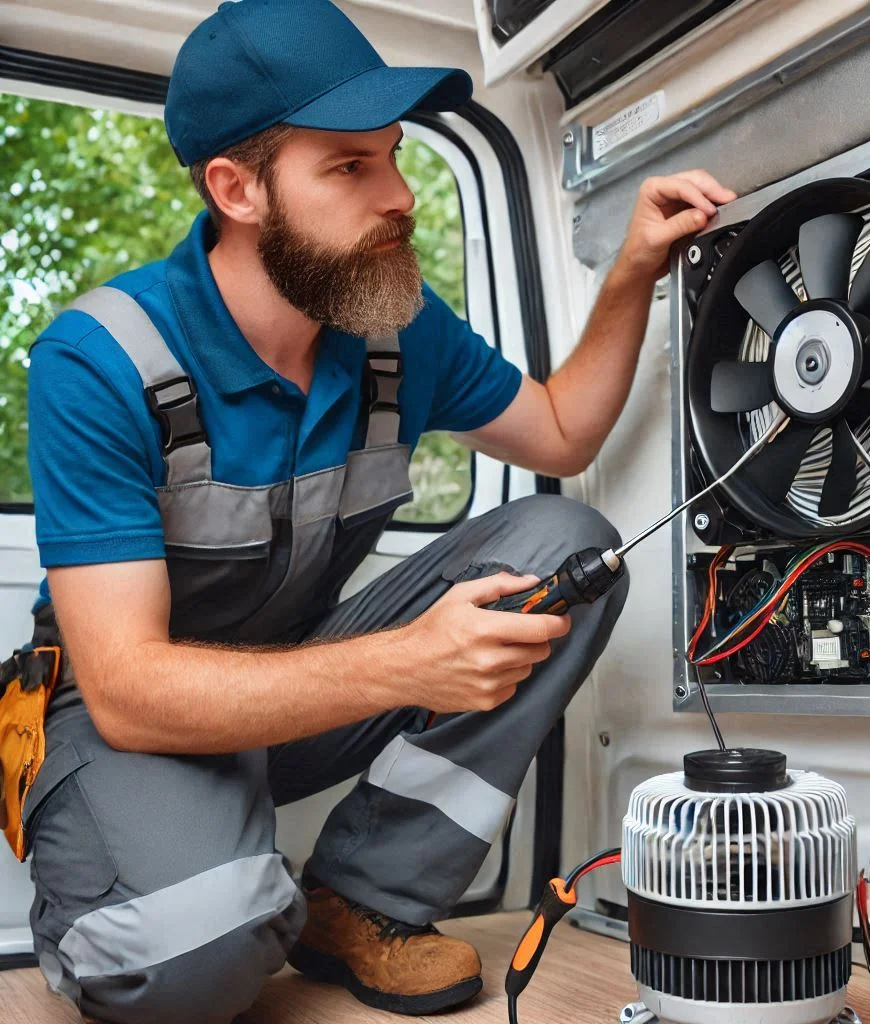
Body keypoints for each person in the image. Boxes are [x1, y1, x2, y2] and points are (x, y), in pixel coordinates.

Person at [17, 1, 736, 1021]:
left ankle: (364, 896)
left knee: (567, 548)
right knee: (197, 964)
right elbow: (129, 689)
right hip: (125, 725)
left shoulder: (392, 325)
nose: (399, 196)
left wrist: (631, 270)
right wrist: (410, 664)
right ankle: (134, 882)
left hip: (294, 685)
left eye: (393, 158)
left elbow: (563, 432)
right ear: (236, 188)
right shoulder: (101, 362)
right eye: (348, 167)